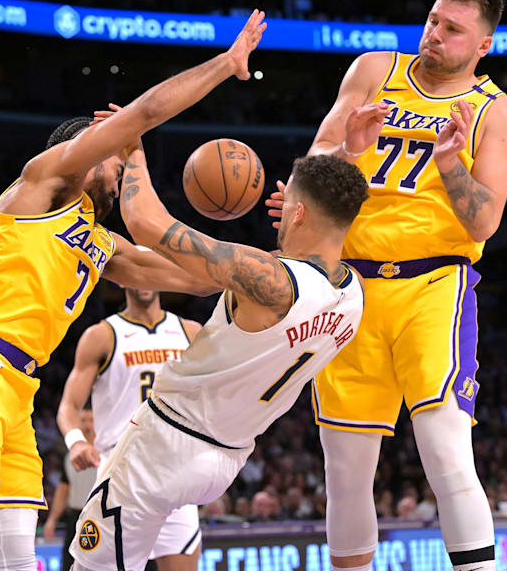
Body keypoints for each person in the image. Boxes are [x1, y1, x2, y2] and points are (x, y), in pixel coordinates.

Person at [0, 11, 266, 571]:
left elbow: (196, 276)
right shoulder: (43, 184)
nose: (120, 158)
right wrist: (225, 64)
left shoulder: (101, 243)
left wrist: (278, 267)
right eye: (111, 150)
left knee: (14, 553)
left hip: (19, 387)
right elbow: (145, 113)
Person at [300, 0, 507, 571]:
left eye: (454, 29)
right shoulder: (375, 70)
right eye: (434, 20)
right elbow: (313, 165)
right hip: (350, 287)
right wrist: (348, 148)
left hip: (433, 284)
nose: (436, 34)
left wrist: (451, 166)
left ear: (483, 45)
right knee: (345, 467)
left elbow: (484, 224)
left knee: (447, 450)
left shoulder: (495, 112)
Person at [68, 147, 369, 571]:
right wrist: (302, 221)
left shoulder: (268, 278)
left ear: (298, 213)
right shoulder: (354, 294)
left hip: (164, 443)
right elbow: (302, 267)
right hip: (227, 457)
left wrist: (135, 151)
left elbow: (146, 224)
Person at [57, 289, 203, 570]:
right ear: (124, 279)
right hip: (122, 466)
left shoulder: (190, 332)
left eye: (151, 271)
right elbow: (70, 405)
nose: (144, 281)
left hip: (176, 466)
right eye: (138, 272)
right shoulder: (103, 335)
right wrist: (76, 441)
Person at [42, 409, 98, 571]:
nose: (87, 424)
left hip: (100, 516)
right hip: (75, 517)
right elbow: (63, 490)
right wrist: (52, 520)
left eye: (90, 419)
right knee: (68, 565)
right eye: (83, 420)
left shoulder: (109, 451)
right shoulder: (70, 456)